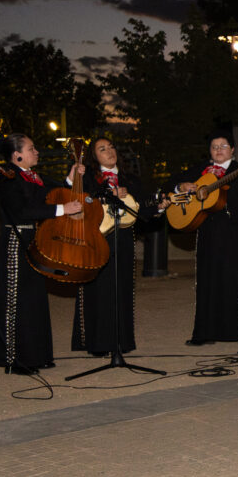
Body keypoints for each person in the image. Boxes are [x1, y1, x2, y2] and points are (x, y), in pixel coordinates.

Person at [0, 133, 83, 374]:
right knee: (16, 299)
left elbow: (51, 192)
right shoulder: (9, 178)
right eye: (31, 148)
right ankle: (14, 359)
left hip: (33, 240)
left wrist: (69, 178)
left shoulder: (32, 177)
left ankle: (36, 355)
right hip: (15, 240)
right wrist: (64, 209)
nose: (37, 152)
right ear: (16, 155)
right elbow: (24, 210)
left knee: (34, 298)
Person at [170, 133, 238, 347]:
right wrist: (183, 187)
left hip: (236, 230)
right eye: (214, 146)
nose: (218, 149)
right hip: (207, 229)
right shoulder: (200, 170)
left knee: (237, 280)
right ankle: (204, 332)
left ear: (232, 149)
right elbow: (172, 183)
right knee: (207, 281)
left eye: (223, 146)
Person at [73, 138, 166, 356]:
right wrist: (108, 195)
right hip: (96, 239)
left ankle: (121, 341)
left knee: (122, 288)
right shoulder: (88, 178)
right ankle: (98, 343)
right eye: (102, 149)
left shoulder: (129, 179)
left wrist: (159, 207)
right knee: (99, 289)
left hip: (123, 239)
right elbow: (82, 201)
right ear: (94, 157)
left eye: (111, 147)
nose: (109, 152)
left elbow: (141, 207)